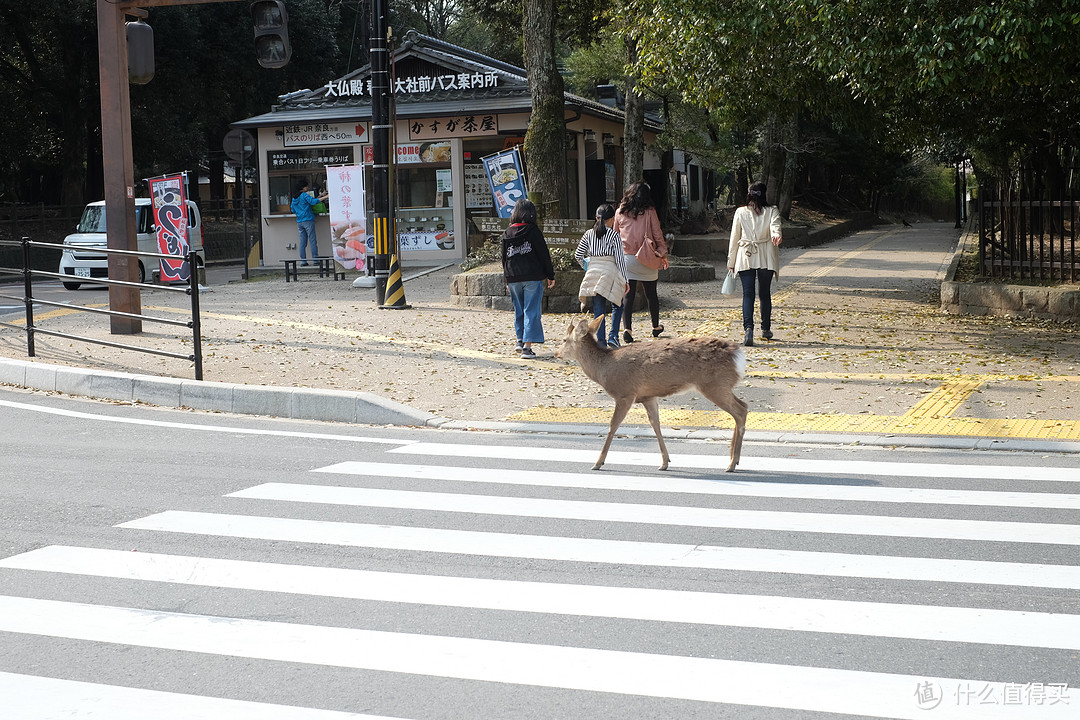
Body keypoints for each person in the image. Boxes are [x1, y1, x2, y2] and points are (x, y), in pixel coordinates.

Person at [613, 181, 669, 344]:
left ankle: (628, 329)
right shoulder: (650, 212)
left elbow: (615, 236)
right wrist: (663, 254)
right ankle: (655, 327)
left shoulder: (619, 212)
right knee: (651, 294)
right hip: (646, 257)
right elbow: (657, 234)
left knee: (627, 295)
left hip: (626, 259)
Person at [728, 181, 782, 347]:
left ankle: (748, 329)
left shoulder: (740, 212)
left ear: (749, 194)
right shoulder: (772, 210)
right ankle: (765, 329)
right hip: (765, 253)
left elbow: (734, 237)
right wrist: (776, 235)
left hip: (746, 254)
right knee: (764, 293)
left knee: (748, 294)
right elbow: (775, 226)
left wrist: (731, 261)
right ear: (764, 194)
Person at [502, 198, 555, 359]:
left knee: (519, 309)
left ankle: (519, 340)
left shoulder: (507, 233)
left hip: (513, 277)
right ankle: (527, 347)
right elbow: (543, 254)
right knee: (531, 310)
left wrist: (506, 279)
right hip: (532, 277)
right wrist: (550, 275)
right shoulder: (533, 231)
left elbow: (504, 259)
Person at [574, 203, 629, 348]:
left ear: (596, 218)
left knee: (598, 308)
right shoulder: (614, 236)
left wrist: (587, 267)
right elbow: (620, 260)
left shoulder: (588, 234)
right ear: (611, 219)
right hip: (610, 271)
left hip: (593, 272)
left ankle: (601, 342)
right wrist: (625, 280)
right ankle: (613, 336)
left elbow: (578, 255)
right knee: (617, 304)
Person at [290, 178, 328, 266]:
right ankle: (315, 260)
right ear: (302, 188)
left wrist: (320, 195)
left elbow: (293, 210)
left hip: (299, 222)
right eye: (306, 186)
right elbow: (313, 202)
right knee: (312, 240)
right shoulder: (304, 195)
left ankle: (303, 261)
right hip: (308, 220)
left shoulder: (294, 198)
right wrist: (325, 197)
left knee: (303, 242)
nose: (307, 188)